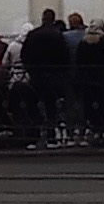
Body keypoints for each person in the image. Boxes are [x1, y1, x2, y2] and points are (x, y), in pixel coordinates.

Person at [22, 10, 72, 146]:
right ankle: (51, 138)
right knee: (51, 108)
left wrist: (31, 69)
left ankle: (33, 137)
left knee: (33, 106)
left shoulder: (33, 35)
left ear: (42, 18)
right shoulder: (58, 35)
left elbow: (24, 55)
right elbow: (65, 56)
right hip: (54, 76)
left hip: (37, 75)